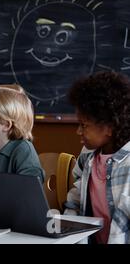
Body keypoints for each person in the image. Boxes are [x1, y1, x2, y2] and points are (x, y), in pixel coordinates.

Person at [64, 71, 130, 244]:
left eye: (84, 125)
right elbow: (76, 200)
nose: (78, 131)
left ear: (110, 127)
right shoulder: (87, 157)